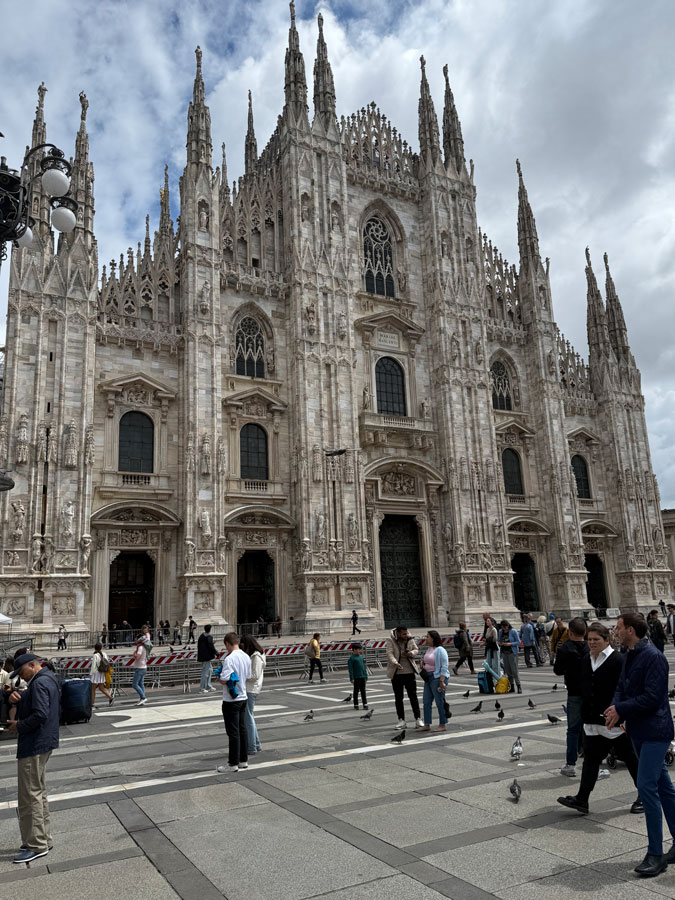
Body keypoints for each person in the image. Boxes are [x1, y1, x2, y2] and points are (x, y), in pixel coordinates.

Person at [604, 612, 675, 877]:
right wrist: (615, 707)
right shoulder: (629, 654)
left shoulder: (654, 656)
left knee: (646, 786)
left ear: (631, 630)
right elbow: (621, 686)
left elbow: (653, 697)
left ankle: (655, 854)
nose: (616, 630)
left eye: (619, 627)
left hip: (656, 730)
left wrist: (621, 708)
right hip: (637, 729)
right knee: (663, 787)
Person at [558, 621, 642, 816]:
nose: (592, 643)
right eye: (589, 639)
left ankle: (645, 796)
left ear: (607, 640)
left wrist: (622, 712)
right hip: (592, 721)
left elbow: (627, 690)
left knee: (631, 760)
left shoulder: (619, 660)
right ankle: (582, 799)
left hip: (614, 720)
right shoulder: (587, 659)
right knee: (591, 760)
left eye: (596, 639)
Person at [7, 653, 60, 863]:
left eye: (22, 672)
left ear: (32, 665)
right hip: (45, 741)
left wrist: (18, 726)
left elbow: (40, 714)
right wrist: (16, 698)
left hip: (34, 744)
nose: (22, 677)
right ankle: (43, 838)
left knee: (29, 796)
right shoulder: (48, 678)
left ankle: (36, 845)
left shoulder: (38, 684)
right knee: (38, 792)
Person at [554, 617, 588, 776]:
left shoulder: (564, 649)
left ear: (571, 632)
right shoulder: (592, 646)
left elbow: (558, 670)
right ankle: (593, 763)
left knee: (573, 730)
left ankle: (570, 764)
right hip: (590, 693)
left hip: (574, 693)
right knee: (592, 728)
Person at [217, 632, 251, 774]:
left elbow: (224, 679)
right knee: (242, 730)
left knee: (233, 732)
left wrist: (218, 678)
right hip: (243, 697)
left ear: (227, 644)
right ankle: (243, 760)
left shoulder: (229, 659)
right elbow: (248, 677)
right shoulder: (246, 656)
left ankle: (232, 763)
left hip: (231, 700)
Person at [385, 625, 424, 730]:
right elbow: (389, 653)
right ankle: (401, 720)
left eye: (406, 633)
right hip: (396, 673)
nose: (406, 635)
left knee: (413, 696)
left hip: (409, 671)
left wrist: (410, 653)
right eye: (403, 634)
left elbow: (416, 649)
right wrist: (395, 663)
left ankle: (418, 718)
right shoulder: (390, 640)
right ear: (398, 633)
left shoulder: (410, 639)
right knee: (398, 698)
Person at [417, 630, 449, 732]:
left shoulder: (440, 650)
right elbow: (428, 660)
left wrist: (441, 681)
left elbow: (444, 666)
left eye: (427, 637)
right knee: (426, 701)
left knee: (439, 701)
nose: (426, 638)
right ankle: (427, 724)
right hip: (428, 678)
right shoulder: (429, 649)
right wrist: (423, 664)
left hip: (437, 678)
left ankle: (442, 724)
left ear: (433, 638)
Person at [241, 633, 265, 755]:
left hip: (251, 689)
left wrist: (242, 676)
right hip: (251, 689)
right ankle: (256, 744)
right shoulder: (256, 655)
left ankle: (252, 747)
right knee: (249, 717)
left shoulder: (256, 657)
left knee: (248, 718)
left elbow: (254, 675)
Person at [498, 620, 522, 693]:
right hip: (504, 653)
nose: (503, 629)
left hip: (512, 652)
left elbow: (518, 642)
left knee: (514, 670)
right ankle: (512, 686)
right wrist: (501, 643)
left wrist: (510, 644)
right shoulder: (500, 632)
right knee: (508, 671)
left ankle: (518, 686)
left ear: (508, 626)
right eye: (502, 627)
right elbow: (499, 641)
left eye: (504, 627)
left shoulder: (513, 631)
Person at [132, 625, 152, 706]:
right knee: (141, 684)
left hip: (140, 667)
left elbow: (137, 657)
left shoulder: (140, 648)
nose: (134, 640)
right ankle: (142, 699)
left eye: (136, 639)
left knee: (135, 684)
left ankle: (143, 697)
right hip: (143, 667)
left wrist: (134, 654)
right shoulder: (143, 647)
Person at [90, 642, 113, 708]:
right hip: (102, 673)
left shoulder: (95, 655)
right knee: (101, 688)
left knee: (93, 689)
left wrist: (90, 674)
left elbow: (93, 666)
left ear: (95, 648)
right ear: (101, 647)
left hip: (96, 674)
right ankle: (110, 698)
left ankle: (92, 703)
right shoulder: (104, 654)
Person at [197, 624, 218, 693]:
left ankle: (208, 686)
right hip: (207, 657)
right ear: (210, 629)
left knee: (210, 670)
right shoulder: (209, 637)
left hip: (203, 656)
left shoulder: (201, 636)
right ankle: (202, 688)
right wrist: (216, 653)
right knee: (205, 672)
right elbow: (211, 646)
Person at [348, 643, 368, 710]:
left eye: (360, 649)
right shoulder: (352, 658)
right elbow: (350, 669)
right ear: (354, 650)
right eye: (358, 649)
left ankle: (365, 704)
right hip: (356, 677)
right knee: (356, 691)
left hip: (362, 676)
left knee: (363, 691)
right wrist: (352, 678)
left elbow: (363, 667)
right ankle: (356, 704)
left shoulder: (361, 657)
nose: (360, 651)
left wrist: (366, 675)